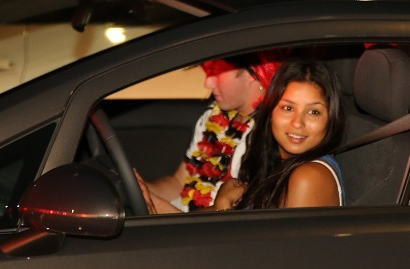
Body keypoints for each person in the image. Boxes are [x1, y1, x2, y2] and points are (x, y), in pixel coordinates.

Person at [143, 55, 282, 213]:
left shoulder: (268, 134)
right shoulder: (213, 115)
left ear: (252, 73)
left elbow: (229, 218)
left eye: (217, 73)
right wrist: (142, 188)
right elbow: (180, 182)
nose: (207, 83)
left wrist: (159, 207)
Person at [214, 60, 346, 210]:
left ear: (331, 119)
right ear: (271, 112)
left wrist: (222, 204)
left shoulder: (308, 177)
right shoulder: (277, 162)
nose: (297, 123)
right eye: (288, 108)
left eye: (313, 112)